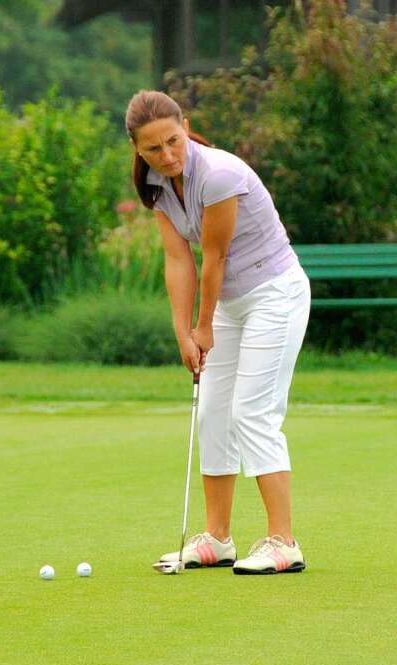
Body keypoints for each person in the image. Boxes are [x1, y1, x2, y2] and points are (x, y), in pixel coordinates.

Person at [126, 90, 311, 575]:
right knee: (212, 410)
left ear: (185, 125)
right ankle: (218, 538)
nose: (167, 156)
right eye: (153, 149)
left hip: (275, 293)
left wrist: (204, 326)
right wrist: (183, 333)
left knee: (253, 410)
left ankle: (282, 542)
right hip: (232, 303)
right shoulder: (156, 184)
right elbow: (176, 259)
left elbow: (216, 258)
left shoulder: (221, 174)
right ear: (137, 149)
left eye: (173, 141)